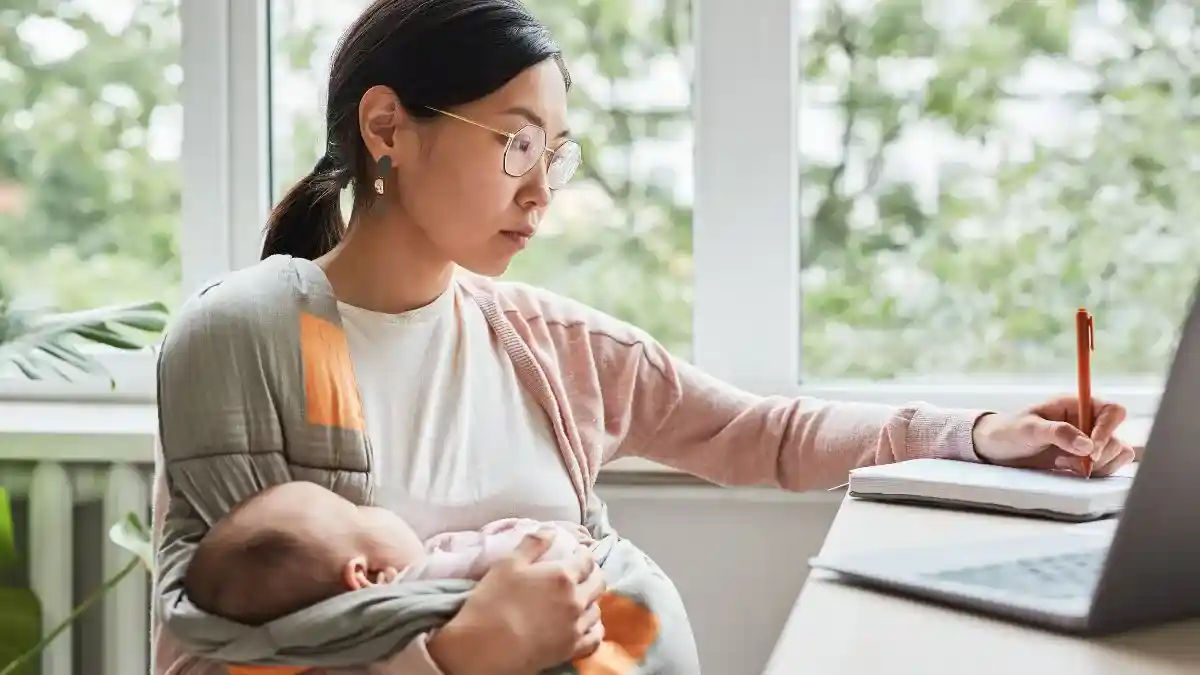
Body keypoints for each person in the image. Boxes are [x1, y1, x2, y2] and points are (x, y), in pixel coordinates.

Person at [150, 0, 1137, 674]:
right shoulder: (255, 341)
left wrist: (981, 434)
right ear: (387, 128)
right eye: (516, 143)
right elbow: (201, 659)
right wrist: (451, 658)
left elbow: (762, 434)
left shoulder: (541, 343)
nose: (542, 189)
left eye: (557, 152)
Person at [182, 481, 590, 626]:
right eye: (356, 512)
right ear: (366, 575)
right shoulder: (421, 585)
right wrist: (553, 534)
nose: (372, 507)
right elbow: (544, 559)